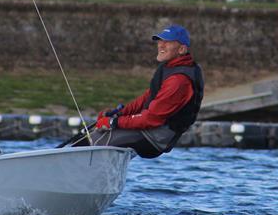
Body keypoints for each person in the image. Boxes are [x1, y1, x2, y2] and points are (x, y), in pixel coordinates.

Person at [72, 24, 204, 158]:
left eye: (167, 42)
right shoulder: (170, 69)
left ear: (182, 49)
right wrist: (118, 114)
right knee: (92, 134)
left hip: (155, 137)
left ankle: (70, 169)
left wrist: (113, 122)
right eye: (160, 41)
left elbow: (151, 119)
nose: (160, 45)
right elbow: (147, 98)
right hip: (148, 130)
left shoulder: (178, 81)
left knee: (97, 138)